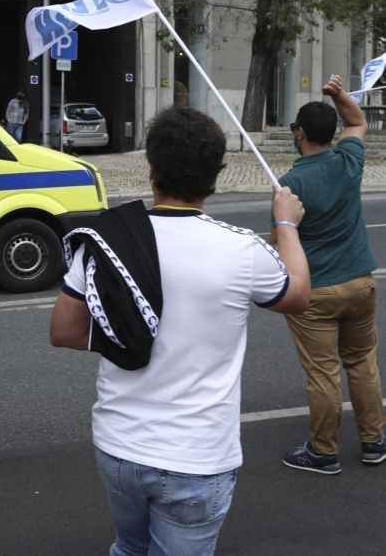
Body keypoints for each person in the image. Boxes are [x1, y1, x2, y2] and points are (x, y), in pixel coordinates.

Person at [50, 107, 311, 556]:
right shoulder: (242, 250)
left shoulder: (108, 240)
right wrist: (286, 223)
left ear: (151, 172)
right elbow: (298, 295)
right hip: (197, 457)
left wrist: (132, 337)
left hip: (119, 445)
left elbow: (65, 331)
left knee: (129, 549)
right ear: (216, 177)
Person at [276, 74, 385, 474]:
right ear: (331, 133)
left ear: (300, 134)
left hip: (317, 290)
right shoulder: (348, 160)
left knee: (323, 372)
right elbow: (356, 123)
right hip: (360, 281)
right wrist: (339, 95)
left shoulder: (289, 185)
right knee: (361, 361)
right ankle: (374, 441)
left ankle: (324, 451)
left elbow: (280, 239)